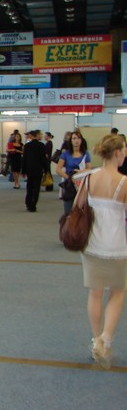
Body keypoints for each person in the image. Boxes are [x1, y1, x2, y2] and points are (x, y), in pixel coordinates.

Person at [79, 134, 127, 369]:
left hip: (91, 245)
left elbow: (78, 207)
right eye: (124, 150)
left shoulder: (89, 178)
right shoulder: (123, 182)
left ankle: (95, 338)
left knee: (95, 293)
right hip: (117, 246)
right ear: (117, 153)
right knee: (117, 292)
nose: (125, 153)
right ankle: (106, 339)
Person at [56, 131, 91, 214]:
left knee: (82, 210)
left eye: (78, 138)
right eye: (74, 138)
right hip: (70, 184)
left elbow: (88, 169)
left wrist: (80, 172)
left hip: (81, 184)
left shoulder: (85, 153)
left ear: (81, 140)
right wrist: (69, 177)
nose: (76, 140)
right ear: (71, 141)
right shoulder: (66, 154)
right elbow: (58, 169)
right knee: (68, 210)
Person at [21, 130, 48, 212]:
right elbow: (43, 159)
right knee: (36, 187)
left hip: (29, 169)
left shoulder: (27, 146)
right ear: (36, 135)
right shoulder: (41, 145)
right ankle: (33, 204)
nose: (41, 136)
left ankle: (28, 203)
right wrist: (46, 169)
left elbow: (24, 159)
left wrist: (23, 170)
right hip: (38, 169)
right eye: (40, 134)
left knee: (29, 186)